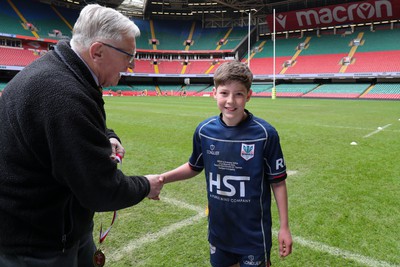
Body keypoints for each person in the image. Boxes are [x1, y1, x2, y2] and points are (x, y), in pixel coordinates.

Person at [0, 4, 163, 267]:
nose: (131, 66)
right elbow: (100, 190)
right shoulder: (63, 93)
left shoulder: (65, 73)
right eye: (128, 56)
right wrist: (146, 185)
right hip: (37, 245)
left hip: (60, 229)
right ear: (98, 51)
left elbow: (79, 127)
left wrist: (107, 135)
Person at [161, 61, 292, 267]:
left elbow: (278, 182)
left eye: (238, 94)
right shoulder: (204, 131)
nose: (231, 101)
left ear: (248, 95)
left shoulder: (265, 134)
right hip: (219, 233)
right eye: (224, 93)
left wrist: (284, 227)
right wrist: (162, 179)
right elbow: (194, 166)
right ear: (214, 93)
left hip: (254, 237)